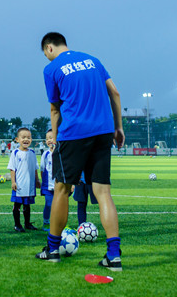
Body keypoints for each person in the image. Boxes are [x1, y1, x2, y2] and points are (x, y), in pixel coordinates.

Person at [36, 32, 125, 271]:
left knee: (62, 189)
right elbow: (115, 93)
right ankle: (113, 255)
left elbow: (55, 108)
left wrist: (54, 136)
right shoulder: (93, 60)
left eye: (45, 53)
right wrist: (118, 126)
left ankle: (52, 249)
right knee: (103, 192)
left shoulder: (52, 68)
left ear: (49, 47)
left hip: (74, 133)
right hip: (104, 130)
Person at [8, 127, 40, 232]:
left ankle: (27, 224)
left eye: (29, 137)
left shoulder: (32, 153)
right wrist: (13, 182)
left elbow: (35, 168)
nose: (26, 139)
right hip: (19, 184)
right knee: (17, 205)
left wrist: (37, 180)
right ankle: (17, 224)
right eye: (23, 137)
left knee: (27, 205)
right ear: (17, 139)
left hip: (29, 185)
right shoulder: (15, 153)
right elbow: (12, 169)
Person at [40, 130, 55, 231]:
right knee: (48, 204)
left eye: (51, 137)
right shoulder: (45, 154)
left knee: (60, 206)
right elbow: (42, 169)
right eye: (47, 138)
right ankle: (46, 222)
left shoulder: (61, 152)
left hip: (60, 185)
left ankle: (59, 224)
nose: (49, 140)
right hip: (48, 185)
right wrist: (43, 182)